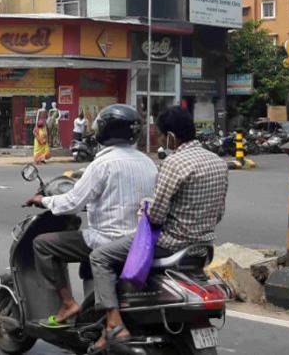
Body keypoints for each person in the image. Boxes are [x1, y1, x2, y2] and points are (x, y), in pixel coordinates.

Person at [88, 106, 228, 351]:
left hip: (170, 244)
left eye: (162, 136)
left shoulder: (174, 163)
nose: (162, 141)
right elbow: (219, 213)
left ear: (171, 137)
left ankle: (113, 321)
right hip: (202, 248)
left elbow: (157, 215)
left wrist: (145, 210)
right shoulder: (218, 162)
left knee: (100, 256)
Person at [24, 104, 157, 329]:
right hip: (138, 241)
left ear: (105, 131)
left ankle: (67, 304)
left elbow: (72, 202)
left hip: (107, 239)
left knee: (42, 245)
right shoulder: (148, 163)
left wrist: (43, 200)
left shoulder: (102, 164)